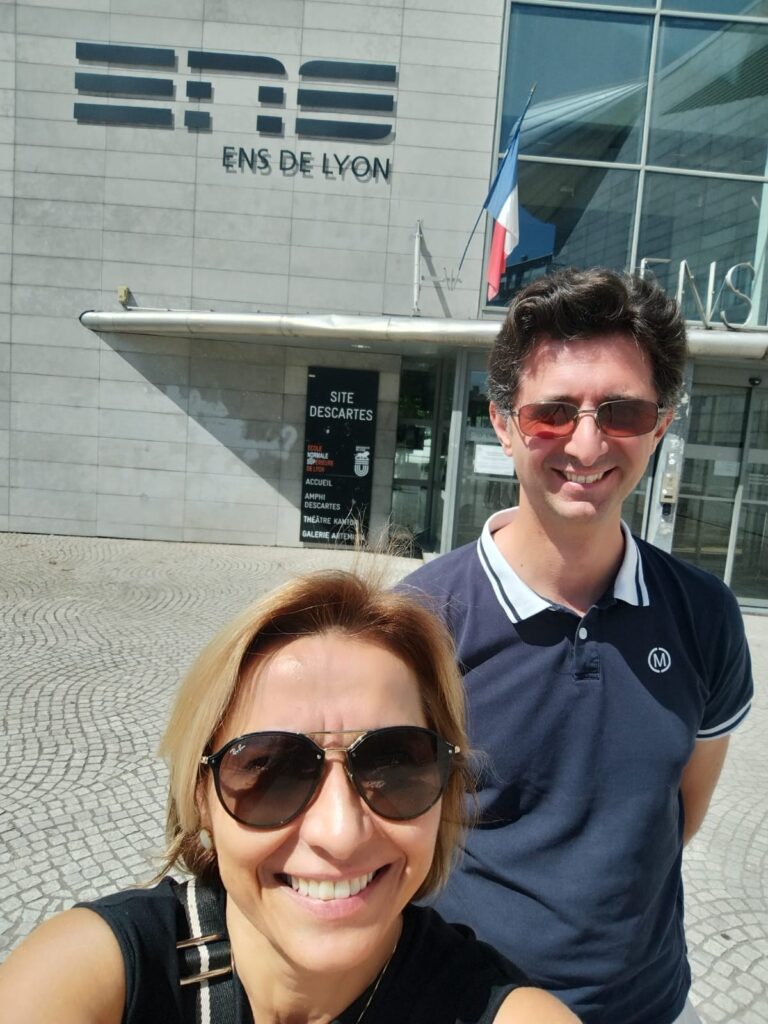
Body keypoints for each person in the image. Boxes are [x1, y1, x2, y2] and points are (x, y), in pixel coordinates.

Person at [401, 268, 753, 1024]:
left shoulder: (706, 615)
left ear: (659, 426)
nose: (587, 442)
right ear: (504, 424)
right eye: (553, 413)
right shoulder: (420, 619)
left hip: (653, 1006)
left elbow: (676, 813)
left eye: (621, 412)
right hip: (470, 1008)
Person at [0, 570, 578, 1024]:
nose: (339, 832)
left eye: (395, 765)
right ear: (200, 797)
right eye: (271, 769)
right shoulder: (99, 972)